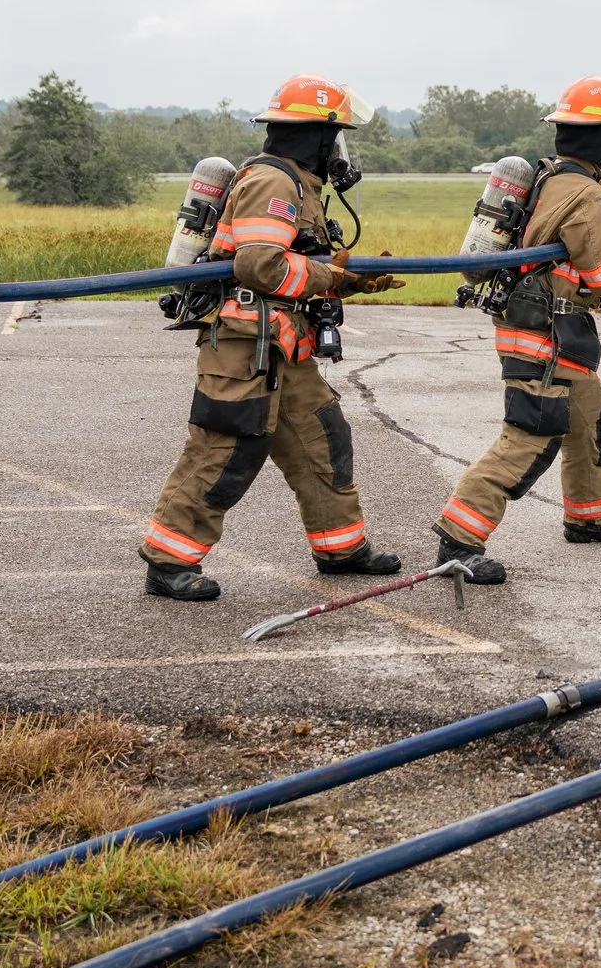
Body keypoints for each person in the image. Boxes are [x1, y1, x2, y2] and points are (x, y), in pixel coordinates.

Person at [141, 75, 405, 601]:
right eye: (335, 137)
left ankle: (341, 548)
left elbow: (297, 266)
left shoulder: (298, 184)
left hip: (282, 348)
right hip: (244, 348)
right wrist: (332, 275)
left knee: (321, 439)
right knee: (225, 451)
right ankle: (168, 562)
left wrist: (350, 280)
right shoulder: (273, 183)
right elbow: (261, 266)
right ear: (315, 136)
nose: (338, 150)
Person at [434, 77, 601, 583]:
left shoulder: (557, 178)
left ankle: (590, 518)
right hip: (544, 339)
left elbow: (575, 243)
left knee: (591, 420)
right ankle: (459, 541)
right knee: (530, 437)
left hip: (553, 333)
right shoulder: (585, 192)